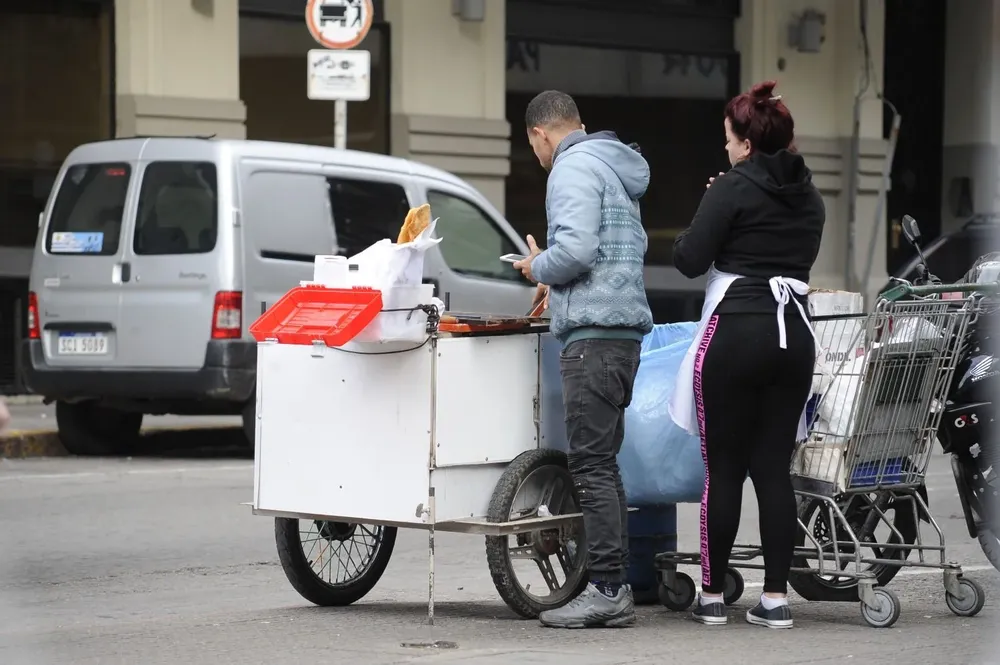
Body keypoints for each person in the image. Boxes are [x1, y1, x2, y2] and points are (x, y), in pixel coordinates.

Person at [667, 80, 824, 629]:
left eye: (730, 140)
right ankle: (776, 600)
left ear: (748, 144)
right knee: (774, 472)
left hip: (736, 332)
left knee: (726, 470)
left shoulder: (731, 187)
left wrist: (716, 201)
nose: (727, 148)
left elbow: (689, 258)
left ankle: (712, 597)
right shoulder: (811, 195)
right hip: (794, 338)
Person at [513, 90, 654, 629]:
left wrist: (536, 267)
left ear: (540, 135)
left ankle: (607, 590)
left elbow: (575, 252)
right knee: (604, 466)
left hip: (592, 342)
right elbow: (609, 251)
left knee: (591, 466)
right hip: (620, 336)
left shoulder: (570, 169)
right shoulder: (613, 168)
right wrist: (557, 283)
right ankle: (612, 583)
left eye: (533, 146)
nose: (537, 155)